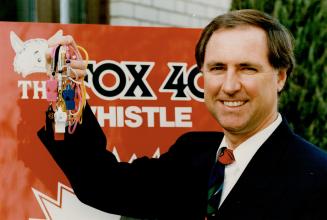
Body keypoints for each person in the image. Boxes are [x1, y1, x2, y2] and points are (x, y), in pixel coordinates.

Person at [38, 9, 327, 220]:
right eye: (217, 68)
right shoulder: (192, 153)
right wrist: (68, 90)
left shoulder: (318, 176)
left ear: (280, 77)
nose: (229, 85)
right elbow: (104, 185)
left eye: (247, 68)